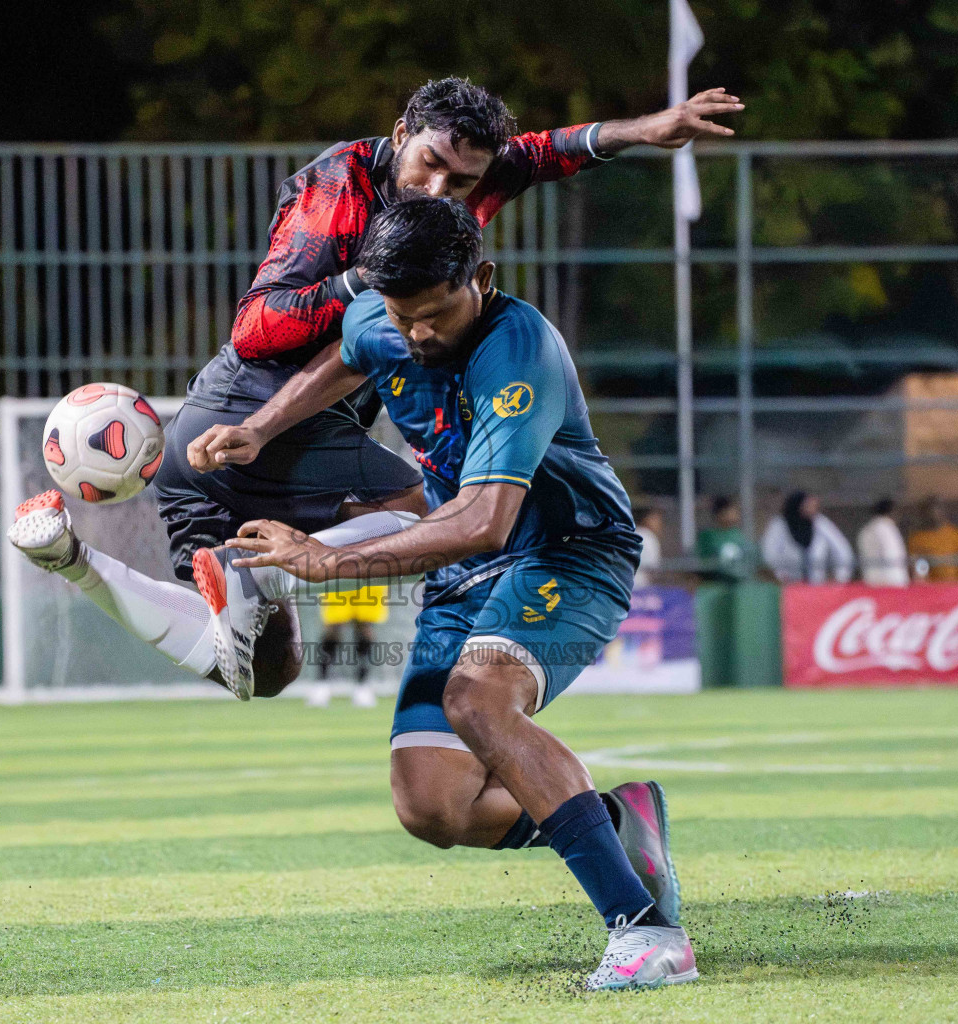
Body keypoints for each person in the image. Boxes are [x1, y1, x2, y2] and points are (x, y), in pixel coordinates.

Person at [8, 77, 744, 700]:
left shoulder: (456, 192)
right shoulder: (340, 190)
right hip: (260, 404)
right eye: (428, 166)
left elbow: (549, 152)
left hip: (221, 443)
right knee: (421, 507)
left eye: (462, 181)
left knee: (262, 672)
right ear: (400, 134)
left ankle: (71, 559)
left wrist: (650, 127)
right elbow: (255, 328)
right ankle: (267, 579)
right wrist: (363, 281)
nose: (440, 190)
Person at [186, 198, 695, 990]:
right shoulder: (383, 314)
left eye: (434, 314)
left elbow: (487, 522)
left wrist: (323, 560)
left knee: (479, 700)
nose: (418, 334)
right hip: (463, 573)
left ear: (480, 277)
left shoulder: (517, 348)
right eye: (403, 316)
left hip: (566, 550)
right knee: (433, 806)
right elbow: (350, 355)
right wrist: (263, 426)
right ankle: (621, 822)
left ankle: (647, 933)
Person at [312, 584, 388, 708]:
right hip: (339, 572)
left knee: (365, 627)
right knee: (333, 627)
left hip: (370, 574)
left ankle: (362, 685)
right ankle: (321, 684)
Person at [761, 491, 853, 584]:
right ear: (799, 505)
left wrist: (841, 577)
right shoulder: (779, 525)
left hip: (817, 586)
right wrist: (780, 575)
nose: (813, 508)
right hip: (787, 585)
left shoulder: (820, 523)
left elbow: (841, 548)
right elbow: (769, 553)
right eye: (808, 505)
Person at [906, 496, 958, 582]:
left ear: (943, 512)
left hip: (955, 587)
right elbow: (916, 568)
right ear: (922, 514)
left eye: (937, 509)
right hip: (931, 589)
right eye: (929, 510)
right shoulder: (916, 538)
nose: (933, 514)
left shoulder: (955, 534)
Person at [697, 495, 755, 583]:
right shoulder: (708, 536)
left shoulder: (738, 534)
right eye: (732, 510)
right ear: (721, 513)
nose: (736, 513)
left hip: (741, 583)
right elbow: (704, 562)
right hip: (716, 583)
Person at [856, 497, 909, 586]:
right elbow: (892, 555)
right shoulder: (887, 528)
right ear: (892, 511)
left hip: (870, 581)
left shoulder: (866, 530)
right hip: (891, 582)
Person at [632, 506, 663, 588]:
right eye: (655, 519)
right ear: (646, 519)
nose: (659, 524)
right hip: (641, 587)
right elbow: (653, 570)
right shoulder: (648, 537)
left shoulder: (628, 533)